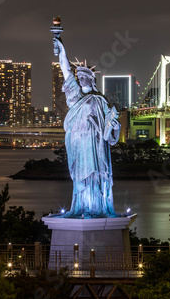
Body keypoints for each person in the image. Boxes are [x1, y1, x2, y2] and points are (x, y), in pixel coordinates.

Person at [53, 37, 121, 218]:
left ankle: (95, 207)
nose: (81, 78)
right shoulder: (74, 93)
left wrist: (116, 127)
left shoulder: (100, 100)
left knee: (95, 174)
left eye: (85, 77)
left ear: (92, 80)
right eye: (79, 76)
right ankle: (81, 207)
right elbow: (65, 69)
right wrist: (61, 48)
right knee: (80, 175)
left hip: (95, 142)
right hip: (77, 141)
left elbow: (110, 129)